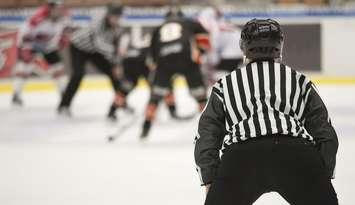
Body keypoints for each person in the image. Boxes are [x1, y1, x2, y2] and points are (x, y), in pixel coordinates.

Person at [194, 19, 338, 205]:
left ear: (244, 46)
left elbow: (207, 133)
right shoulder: (299, 80)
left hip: (242, 157)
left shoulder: (224, 85)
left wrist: (209, 178)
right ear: (279, 45)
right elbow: (324, 130)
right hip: (295, 153)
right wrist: (321, 175)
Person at [139, 8, 210, 139]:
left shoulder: (158, 28)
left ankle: (146, 126)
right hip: (186, 59)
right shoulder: (188, 22)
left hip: (164, 62)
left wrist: (157, 71)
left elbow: (152, 56)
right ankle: (212, 127)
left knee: (156, 96)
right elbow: (205, 37)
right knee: (200, 96)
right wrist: (200, 52)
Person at [57, 3, 125, 116]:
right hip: (79, 47)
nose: (116, 19)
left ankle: (121, 102)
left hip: (94, 51)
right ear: (108, 15)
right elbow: (98, 44)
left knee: (113, 74)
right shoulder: (98, 22)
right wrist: (114, 52)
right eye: (114, 16)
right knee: (78, 75)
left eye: (118, 17)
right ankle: (64, 106)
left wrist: (116, 63)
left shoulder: (117, 27)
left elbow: (114, 46)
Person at [107, 30, 179, 121]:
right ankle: (172, 112)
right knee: (164, 86)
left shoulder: (151, 38)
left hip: (130, 60)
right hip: (143, 60)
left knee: (126, 87)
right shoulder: (163, 40)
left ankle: (112, 111)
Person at [12, 0, 70, 106]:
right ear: (50, 8)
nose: (59, 10)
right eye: (57, 8)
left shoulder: (63, 18)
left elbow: (62, 33)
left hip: (48, 46)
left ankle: (64, 95)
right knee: (23, 69)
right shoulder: (37, 18)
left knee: (58, 69)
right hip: (30, 45)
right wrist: (25, 48)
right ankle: (16, 94)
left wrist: (61, 40)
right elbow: (23, 32)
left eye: (60, 8)